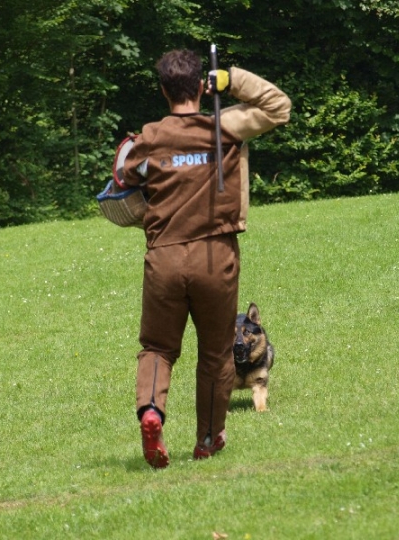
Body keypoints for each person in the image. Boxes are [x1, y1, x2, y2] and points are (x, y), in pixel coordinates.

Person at [123, 49, 291, 468]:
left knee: (158, 348)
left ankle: (151, 412)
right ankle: (208, 438)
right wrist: (231, 79)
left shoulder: (150, 137)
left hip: (163, 256)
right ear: (201, 86)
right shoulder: (226, 126)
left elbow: (125, 178)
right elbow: (279, 106)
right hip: (216, 258)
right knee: (216, 353)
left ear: (164, 91)